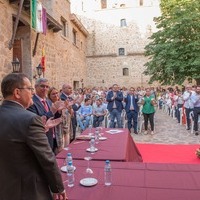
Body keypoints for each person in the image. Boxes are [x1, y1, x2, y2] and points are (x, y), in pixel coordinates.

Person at [0, 73, 67, 200]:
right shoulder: (30, 119)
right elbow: (47, 157)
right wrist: (58, 187)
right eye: (30, 89)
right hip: (28, 190)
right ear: (17, 93)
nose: (32, 93)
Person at [27, 78, 61, 152]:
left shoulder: (48, 101)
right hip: (40, 139)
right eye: (42, 86)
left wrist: (59, 111)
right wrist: (51, 112)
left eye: (47, 86)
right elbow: (36, 121)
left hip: (51, 136)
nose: (45, 88)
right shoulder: (31, 102)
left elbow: (54, 118)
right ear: (36, 87)